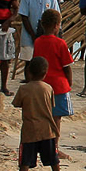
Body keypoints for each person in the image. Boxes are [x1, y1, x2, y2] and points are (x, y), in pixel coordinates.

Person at [10, 57, 63, 171]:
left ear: (29, 72)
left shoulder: (24, 88)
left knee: (25, 161)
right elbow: (51, 105)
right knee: (53, 159)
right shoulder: (48, 88)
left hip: (30, 130)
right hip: (47, 129)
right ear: (45, 73)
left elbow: (16, 103)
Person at [31, 9, 75, 159]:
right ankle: (54, 147)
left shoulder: (38, 42)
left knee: (44, 117)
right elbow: (66, 66)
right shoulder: (60, 43)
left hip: (42, 84)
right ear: (57, 25)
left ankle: (42, 145)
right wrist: (69, 82)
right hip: (58, 85)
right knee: (56, 119)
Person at [17, 0, 60, 65]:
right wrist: (33, 35)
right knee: (29, 62)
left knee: (45, 62)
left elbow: (56, 16)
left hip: (46, 35)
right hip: (29, 36)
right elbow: (24, 17)